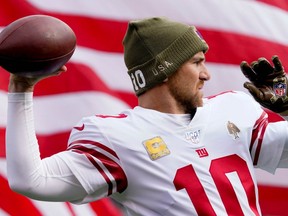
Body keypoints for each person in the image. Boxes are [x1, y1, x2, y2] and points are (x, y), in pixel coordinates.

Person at [5, 17, 288, 216]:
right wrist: (22, 88)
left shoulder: (232, 109)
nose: (206, 74)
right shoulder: (116, 137)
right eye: (197, 61)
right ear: (165, 69)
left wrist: (286, 103)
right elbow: (30, 180)